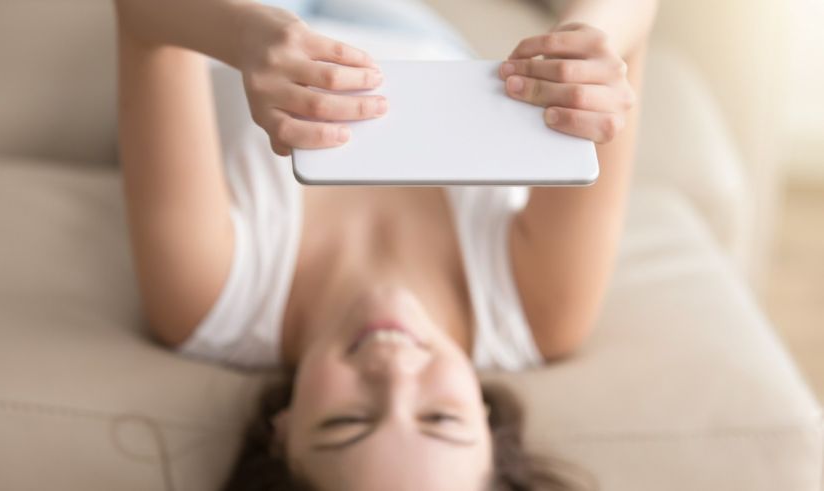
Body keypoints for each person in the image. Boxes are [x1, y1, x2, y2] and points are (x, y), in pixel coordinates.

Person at [114, 0, 656, 488]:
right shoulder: (540, 309)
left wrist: (243, 32)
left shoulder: (207, 298)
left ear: (283, 434)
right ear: (488, 427)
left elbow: (142, 17)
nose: (392, 371)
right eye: (439, 418)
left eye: (346, 422)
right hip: (419, 35)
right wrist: (589, 46)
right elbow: (636, 16)